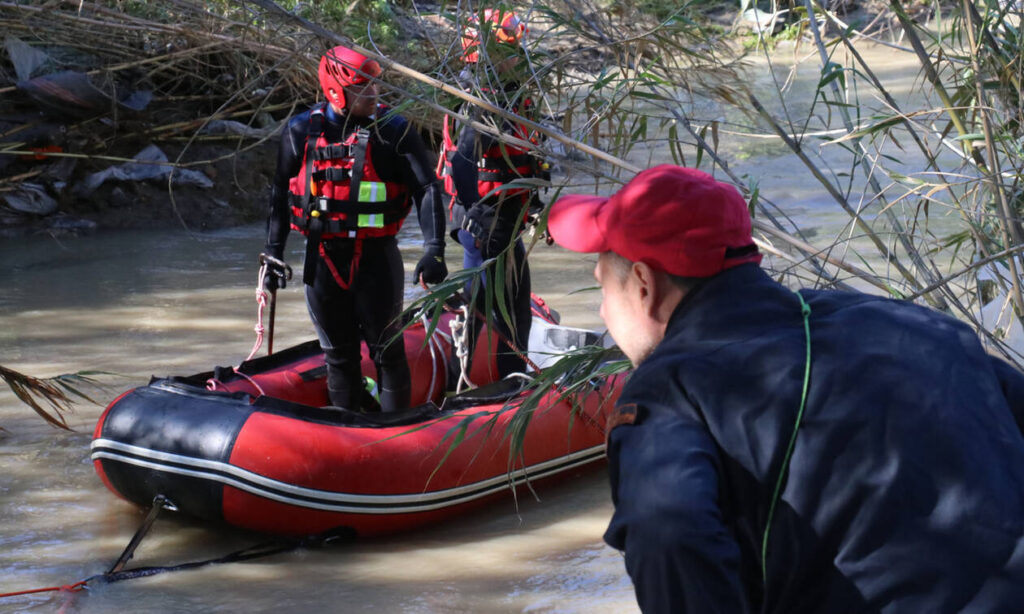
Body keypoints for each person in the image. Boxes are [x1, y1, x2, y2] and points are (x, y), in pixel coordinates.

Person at [547, 164, 1024, 612]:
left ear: (644, 285)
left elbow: (669, 533)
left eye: (602, 288)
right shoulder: (919, 327)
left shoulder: (669, 393)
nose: (605, 315)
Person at [263, 45, 448, 412]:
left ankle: (397, 437)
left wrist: (434, 248)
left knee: (388, 353)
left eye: (375, 86)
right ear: (335, 90)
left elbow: (427, 189)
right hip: (323, 263)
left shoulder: (393, 131)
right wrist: (273, 252)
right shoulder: (300, 131)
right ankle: (348, 433)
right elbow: (280, 193)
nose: (374, 94)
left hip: (376, 261)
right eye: (362, 88)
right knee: (339, 358)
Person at [438, 9, 548, 383]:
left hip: (498, 222)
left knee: (483, 307)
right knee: (510, 313)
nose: (521, 55)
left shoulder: (501, 94)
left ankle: (462, 382)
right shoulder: (485, 99)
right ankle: (510, 388)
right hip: (489, 223)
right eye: (513, 49)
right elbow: (464, 160)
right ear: (491, 54)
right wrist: (474, 213)